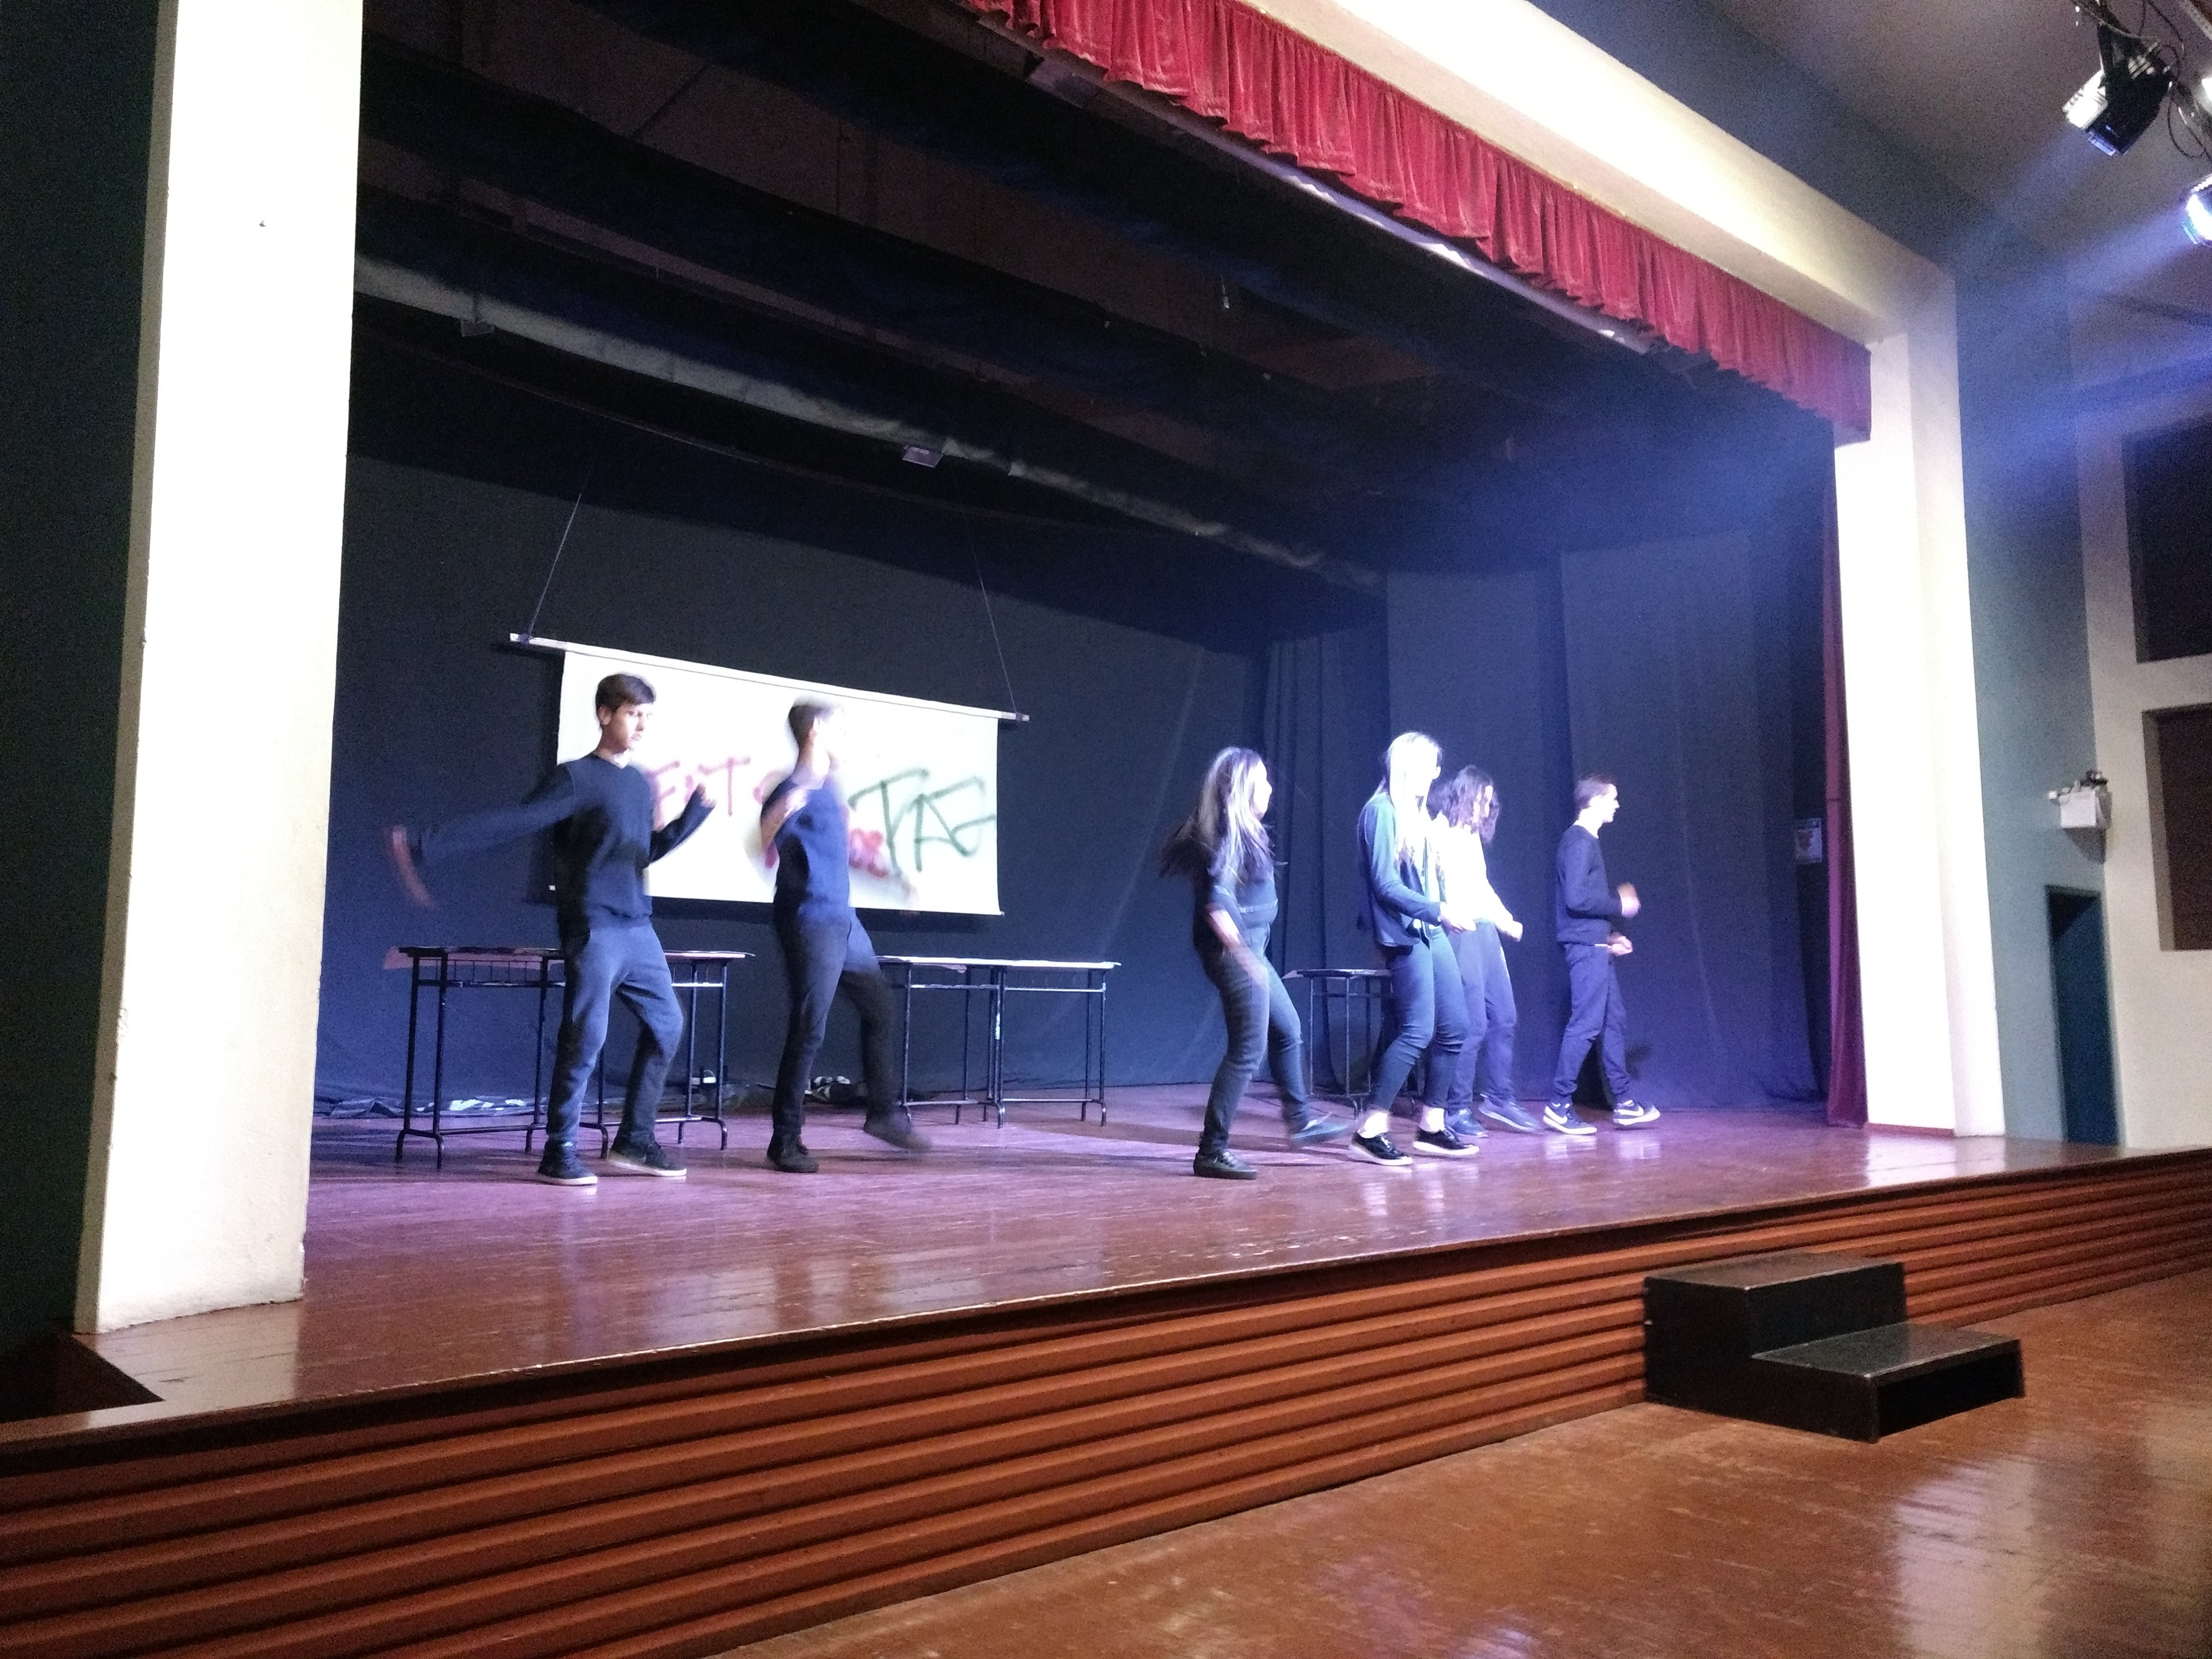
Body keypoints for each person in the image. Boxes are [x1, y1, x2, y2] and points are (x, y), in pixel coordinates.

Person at [386, 672, 712, 1186]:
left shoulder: (637, 783)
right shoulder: (577, 779)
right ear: (605, 715)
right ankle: (559, 1149)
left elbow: (643, 854)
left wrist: (694, 816)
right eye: (633, 714)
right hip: (595, 927)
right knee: (587, 1037)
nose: (642, 725)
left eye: (648, 716)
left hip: (637, 928)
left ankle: (635, 1140)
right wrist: (425, 843)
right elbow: (516, 821)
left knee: (668, 1025)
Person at [758, 699, 931, 1173]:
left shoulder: (828, 790)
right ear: (816, 730)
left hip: (843, 920)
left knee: (880, 1008)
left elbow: (845, 850)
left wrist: (894, 877)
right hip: (810, 919)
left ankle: (883, 1115)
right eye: (843, 731)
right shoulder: (792, 789)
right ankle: (784, 1141)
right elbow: (763, 839)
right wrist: (778, 814)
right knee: (809, 1028)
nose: (848, 742)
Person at [1160, 748, 1348, 1180]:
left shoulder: (1246, 833)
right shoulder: (1227, 837)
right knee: (1248, 1049)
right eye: (1262, 781)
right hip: (1234, 955)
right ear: (1244, 789)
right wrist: (1243, 956)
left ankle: (1300, 1121)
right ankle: (1212, 1150)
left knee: (1288, 1030)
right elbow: (1217, 903)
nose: (1270, 788)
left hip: (1252, 953)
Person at [1352, 733, 1479, 1166]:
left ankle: (1432, 1126)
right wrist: (1438, 910)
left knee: (1456, 1026)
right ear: (1406, 766)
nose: (1435, 774)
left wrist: (1444, 908)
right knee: (1418, 1030)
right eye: (1428, 765)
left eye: (1436, 766)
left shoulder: (1417, 816)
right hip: (1406, 933)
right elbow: (1385, 884)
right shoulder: (1381, 811)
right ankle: (1370, 1130)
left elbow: (1426, 879)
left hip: (1430, 930)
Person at [1431, 767, 1543, 1136]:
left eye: (1489, 803)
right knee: (1473, 1024)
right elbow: (1439, 890)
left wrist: (1505, 920)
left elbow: (1481, 886)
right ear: (1465, 795)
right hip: (1460, 932)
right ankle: (1456, 1109)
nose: (1485, 809)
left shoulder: (1471, 837)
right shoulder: (1439, 832)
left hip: (1484, 932)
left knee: (1505, 1016)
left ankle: (1499, 1098)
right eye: (1481, 800)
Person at [1546, 773, 1659, 1133]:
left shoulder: (1586, 842)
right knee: (1586, 1025)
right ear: (1594, 802)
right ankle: (1559, 1105)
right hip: (1585, 950)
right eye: (1612, 799)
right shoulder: (1579, 841)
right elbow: (1576, 899)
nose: (1617, 805)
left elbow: (1581, 904)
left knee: (1613, 1022)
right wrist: (1619, 905)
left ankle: (1624, 1102)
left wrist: (1608, 937)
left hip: (1595, 946)